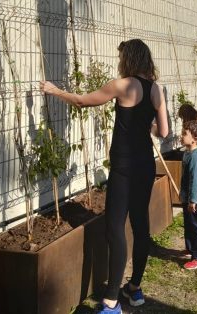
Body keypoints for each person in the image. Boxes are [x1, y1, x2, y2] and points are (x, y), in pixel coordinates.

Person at [40, 39, 168, 313]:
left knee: (115, 227)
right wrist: (149, 125)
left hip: (124, 166)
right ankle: (134, 289)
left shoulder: (120, 85)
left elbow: (83, 102)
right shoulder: (156, 89)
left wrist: (55, 90)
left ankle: (111, 300)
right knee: (140, 224)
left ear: (129, 59)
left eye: (122, 56)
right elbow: (165, 132)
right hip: (145, 164)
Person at [179, 120, 197, 270]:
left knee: (196, 227)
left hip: (194, 200)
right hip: (187, 198)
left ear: (195, 139)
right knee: (189, 225)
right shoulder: (187, 153)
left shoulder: (196, 157)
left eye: (184, 134)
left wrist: (193, 200)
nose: (181, 136)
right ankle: (190, 249)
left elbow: (196, 180)